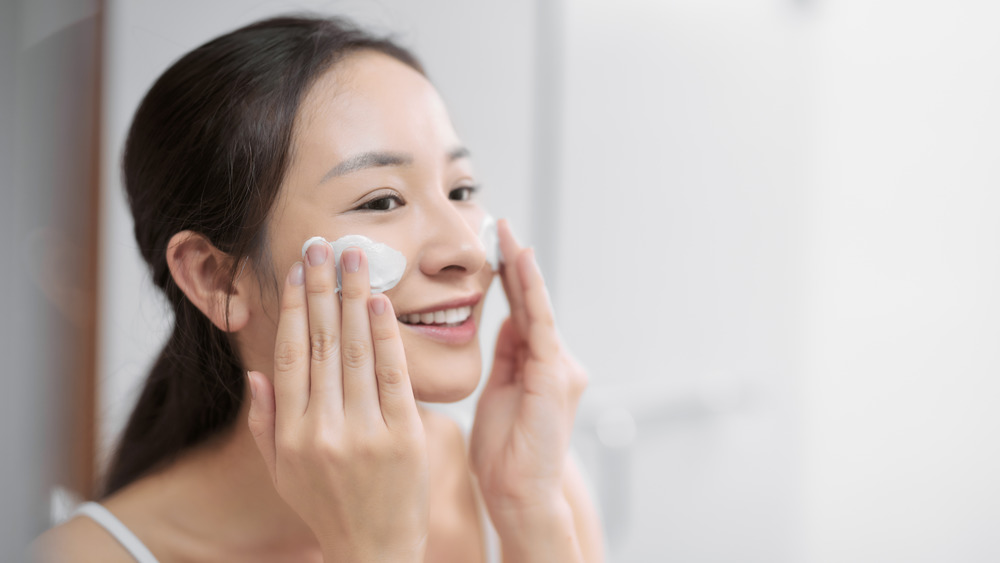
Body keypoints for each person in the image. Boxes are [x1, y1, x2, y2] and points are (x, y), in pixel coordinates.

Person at [32, 14, 602, 562]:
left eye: (460, 189)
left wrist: (529, 514)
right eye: (382, 201)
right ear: (217, 277)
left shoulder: (524, 484)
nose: (468, 252)